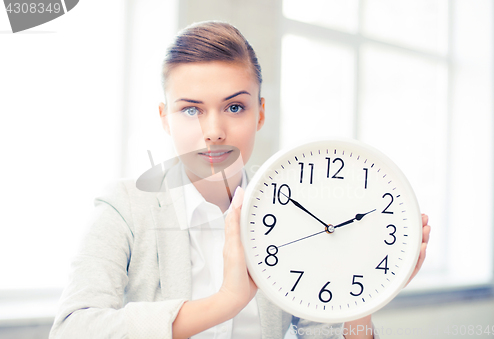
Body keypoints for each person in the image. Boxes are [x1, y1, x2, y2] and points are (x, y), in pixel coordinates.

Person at [49, 20, 431, 339]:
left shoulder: (300, 208)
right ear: (165, 117)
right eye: (191, 110)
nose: (214, 131)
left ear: (260, 113)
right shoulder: (125, 207)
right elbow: (72, 328)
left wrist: (367, 299)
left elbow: (325, 332)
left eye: (235, 107)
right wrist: (226, 302)